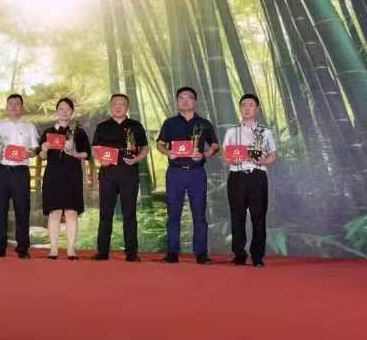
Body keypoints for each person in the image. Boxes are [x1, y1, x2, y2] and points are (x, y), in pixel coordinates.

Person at [156, 87, 219, 265]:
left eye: (189, 98)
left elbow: (215, 145)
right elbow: (160, 144)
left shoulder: (204, 123)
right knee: (173, 214)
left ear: (195, 102)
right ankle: (172, 253)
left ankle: (201, 254)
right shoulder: (169, 123)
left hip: (196, 173)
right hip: (175, 173)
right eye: (181, 98)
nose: (185, 101)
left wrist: (204, 155)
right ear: (177, 102)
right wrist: (168, 152)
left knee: (199, 214)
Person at [90, 94, 149, 262]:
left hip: (129, 173)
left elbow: (145, 148)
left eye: (122, 104)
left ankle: (132, 253)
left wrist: (136, 159)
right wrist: (100, 159)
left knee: (129, 213)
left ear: (127, 107)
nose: (118, 106)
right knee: (105, 213)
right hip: (107, 174)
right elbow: (95, 148)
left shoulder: (135, 126)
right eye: (115, 103)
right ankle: (102, 252)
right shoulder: (102, 126)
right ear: (111, 106)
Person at [223, 94, 277, 267]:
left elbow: (273, 154)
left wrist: (264, 161)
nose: (247, 108)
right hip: (237, 176)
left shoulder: (265, 132)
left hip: (257, 176)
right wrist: (231, 159)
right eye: (244, 105)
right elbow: (225, 156)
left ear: (257, 109)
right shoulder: (231, 131)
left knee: (258, 216)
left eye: (251, 105)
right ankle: (239, 255)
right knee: (237, 216)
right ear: (240, 108)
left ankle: (257, 256)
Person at [0, 93, 39, 259]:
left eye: (17, 104)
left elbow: (35, 150)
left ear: (22, 108)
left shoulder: (30, 127)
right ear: (6, 107)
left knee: (22, 210)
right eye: (11, 104)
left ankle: (22, 248)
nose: (14, 107)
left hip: (20, 172)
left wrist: (30, 153)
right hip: (1, 171)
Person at [38, 98, 90, 260]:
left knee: (71, 212)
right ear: (57, 111)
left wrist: (75, 153)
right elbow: (42, 156)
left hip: (72, 175)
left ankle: (71, 250)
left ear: (72, 112)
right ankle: (53, 249)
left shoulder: (79, 131)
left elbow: (87, 153)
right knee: (54, 212)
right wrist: (44, 149)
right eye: (61, 109)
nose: (64, 112)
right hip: (53, 175)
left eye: (68, 109)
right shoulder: (48, 131)